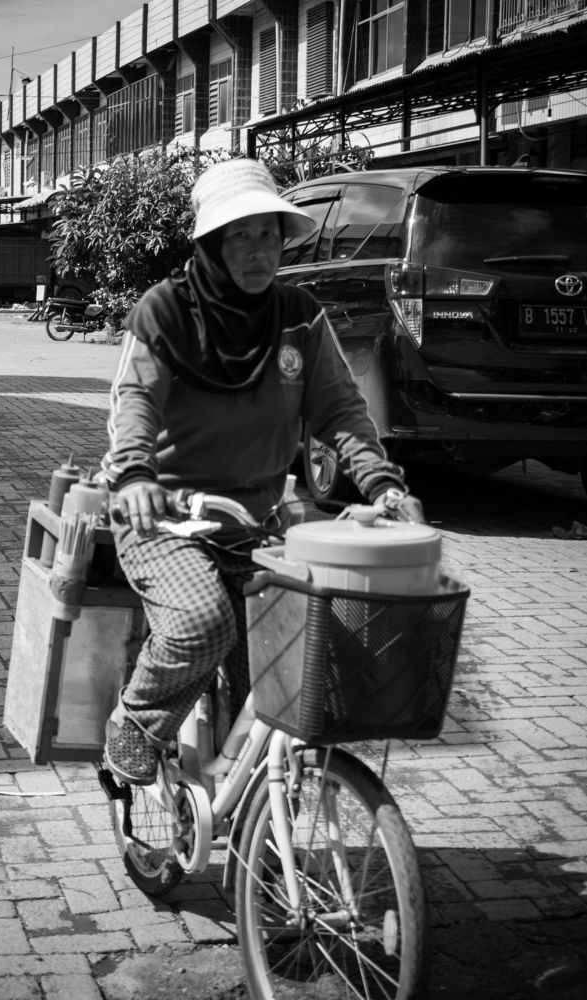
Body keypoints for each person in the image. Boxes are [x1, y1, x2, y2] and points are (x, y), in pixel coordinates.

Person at [101, 157, 422, 785]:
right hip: (164, 515)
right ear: (213, 246)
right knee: (202, 625)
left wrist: (384, 486)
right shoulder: (167, 310)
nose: (257, 251)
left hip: (256, 522)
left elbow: (342, 412)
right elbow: (134, 400)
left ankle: (265, 839)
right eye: (240, 236)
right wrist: (136, 476)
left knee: (286, 678)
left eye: (268, 234)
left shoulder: (298, 316)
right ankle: (136, 723)